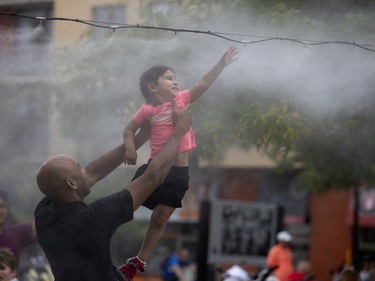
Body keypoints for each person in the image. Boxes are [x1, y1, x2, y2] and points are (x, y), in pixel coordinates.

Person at [34, 102, 192, 281]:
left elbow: (94, 172)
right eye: (79, 168)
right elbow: (153, 177)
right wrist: (179, 131)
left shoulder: (43, 215)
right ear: (71, 183)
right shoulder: (92, 219)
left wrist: (141, 137)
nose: (85, 170)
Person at [121, 46, 238, 280]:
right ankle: (100, 231)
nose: (176, 82)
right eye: (169, 78)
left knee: (161, 218)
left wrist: (221, 64)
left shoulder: (183, 99)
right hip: (154, 169)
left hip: (178, 173)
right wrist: (131, 148)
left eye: (176, 78)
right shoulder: (147, 110)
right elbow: (128, 129)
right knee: (125, 206)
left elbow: (204, 83)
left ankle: (138, 260)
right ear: (153, 88)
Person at [0, 189, 37, 270]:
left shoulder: (15, 233)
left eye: (2, 206)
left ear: (7, 209)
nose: (0, 210)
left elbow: (42, 225)